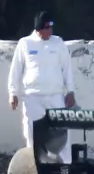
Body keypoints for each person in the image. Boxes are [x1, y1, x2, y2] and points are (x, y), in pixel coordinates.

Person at [7, 11, 76, 163]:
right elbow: (16, 70)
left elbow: (67, 68)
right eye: (46, 29)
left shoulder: (58, 43)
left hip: (55, 96)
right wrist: (13, 93)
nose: (49, 32)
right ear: (38, 29)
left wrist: (70, 91)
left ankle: (66, 169)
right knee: (32, 134)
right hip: (32, 97)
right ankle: (35, 169)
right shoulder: (25, 43)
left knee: (62, 133)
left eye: (51, 28)